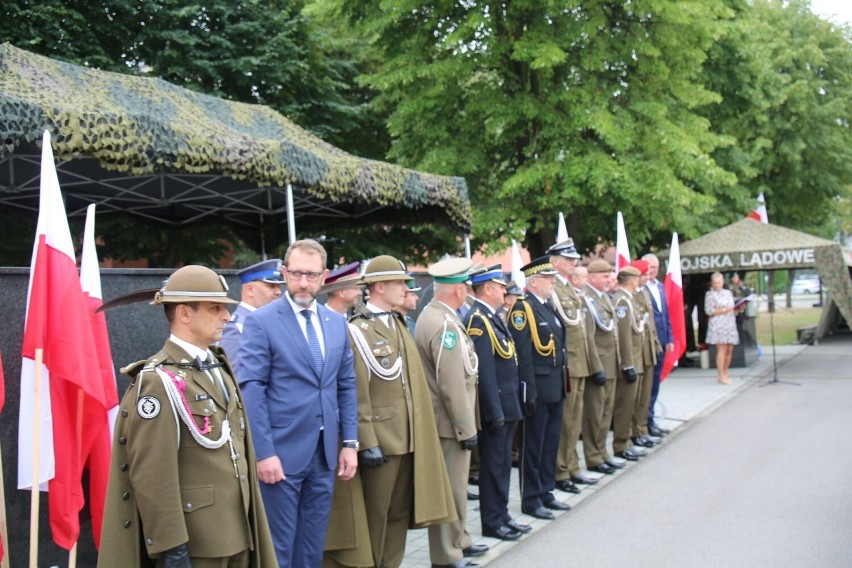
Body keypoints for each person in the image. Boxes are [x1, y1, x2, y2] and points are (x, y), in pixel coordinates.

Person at [99, 265, 277, 568]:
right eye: (215, 308)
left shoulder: (218, 365)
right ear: (184, 313)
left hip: (238, 528)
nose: (227, 316)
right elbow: (153, 472)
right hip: (199, 539)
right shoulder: (159, 379)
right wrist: (171, 545)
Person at [237, 239, 359, 567]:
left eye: (311, 274)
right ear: (284, 272)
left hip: (324, 454)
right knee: (279, 548)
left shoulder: (336, 323)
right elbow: (252, 390)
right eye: (295, 274)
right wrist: (264, 453)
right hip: (281, 456)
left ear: (325, 276)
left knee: (313, 544)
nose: (303, 282)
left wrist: (349, 443)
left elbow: (345, 386)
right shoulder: (261, 321)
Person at [347, 255, 456, 568]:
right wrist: (367, 441)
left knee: (397, 516)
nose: (406, 289)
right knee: (375, 518)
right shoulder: (359, 330)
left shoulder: (397, 323)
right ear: (379, 286)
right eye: (399, 283)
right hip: (383, 439)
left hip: (408, 437)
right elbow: (358, 392)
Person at [415, 258, 485, 568]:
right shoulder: (444, 325)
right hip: (448, 424)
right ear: (457, 290)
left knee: (456, 489)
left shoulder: (437, 316)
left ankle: (459, 540)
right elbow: (452, 383)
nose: (467, 293)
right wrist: (465, 427)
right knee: (450, 491)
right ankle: (446, 555)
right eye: (465, 288)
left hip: (447, 422)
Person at [464, 265, 530, 542]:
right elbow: (485, 372)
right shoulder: (478, 319)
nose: (505, 291)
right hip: (496, 409)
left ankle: (502, 515)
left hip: (507, 403)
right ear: (487, 288)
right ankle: (492, 521)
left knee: (503, 465)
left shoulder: (492, 317)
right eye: (500, 286)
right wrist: (494, 411)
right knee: (493, 467)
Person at [509, 256, 570, 520]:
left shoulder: (547, 305)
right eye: (548, 278)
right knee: (532, 446)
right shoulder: (523, 309)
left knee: (549, 443)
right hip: (538, 388)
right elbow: (523, 354)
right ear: (534, 282)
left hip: (555, 384)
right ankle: (531, 499)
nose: (553, 282)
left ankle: (546, 490)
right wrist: (528, 391)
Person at [547, 241, 605, 494]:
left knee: (575, 420)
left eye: (574, 259)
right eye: (569, 259)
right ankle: (561, 470)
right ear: (555, 261)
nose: (574, 263)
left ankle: (572, 466)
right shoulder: (554, 289)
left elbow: (583, 330)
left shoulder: (568, 288)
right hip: (568, 364)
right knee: (567, 421)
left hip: (579, 363)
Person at [581, 259, 622, 476]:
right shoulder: (587, 300)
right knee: (594, 414)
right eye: (605, 277)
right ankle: (593, 456)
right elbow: (588, 337)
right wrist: (596, 368)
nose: (609, 280)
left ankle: (603, 452)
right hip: (599, 364)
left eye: (609, 276)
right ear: (593, 277)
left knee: (606, 412)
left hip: (610, 363)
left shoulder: (602, 297)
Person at [218, 258, 284, 374]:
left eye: (279, 286)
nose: (278, 292)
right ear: (250, 290)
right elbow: (236, 382)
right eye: (271, 286)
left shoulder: (272, 323)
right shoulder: (236, 328)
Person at [611, 265, 648, 462]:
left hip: (637, 359)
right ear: (632, 280)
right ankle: (621, 443)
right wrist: (627, 364)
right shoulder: (622, 301)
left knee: (631, 404)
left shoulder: (629, 299)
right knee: (624, 406)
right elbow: (624, 336)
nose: (639, 281)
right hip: (630, 361)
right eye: (638, 278)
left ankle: (628, 442)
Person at [629, 259, 662, 449]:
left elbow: (649, 324)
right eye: (644, 274)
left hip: (647, 350)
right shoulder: (629, 297)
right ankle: (635, 432)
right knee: (636, 397)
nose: (648, 277)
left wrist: (655, 345)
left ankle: (641, 429)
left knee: (645, 395)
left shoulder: (643, 293)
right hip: (637, 353)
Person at [642, 253, 673, 437]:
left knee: (655, 384)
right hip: (648, 344)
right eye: (649, 268)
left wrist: (669, 338)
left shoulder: (660, 286)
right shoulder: (640, 288)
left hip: (661, 341)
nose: (652, 271)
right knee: (648, 384)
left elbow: (665, 315)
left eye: (654, 268)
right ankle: (646, 421)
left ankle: (651, 418)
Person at [705, 271, 740, 384]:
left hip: (729, 323)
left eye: (719, 282)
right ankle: (720, 374)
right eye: (715, 283)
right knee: (722, 349)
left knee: (730, 349)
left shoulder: (728, 293)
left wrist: (737, 309)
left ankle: (726, 372)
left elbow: (732, 307)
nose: (717, 285)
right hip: (718, 324)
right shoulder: (710, 294)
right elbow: (709, 311)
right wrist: (725, 310)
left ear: (722, 282)